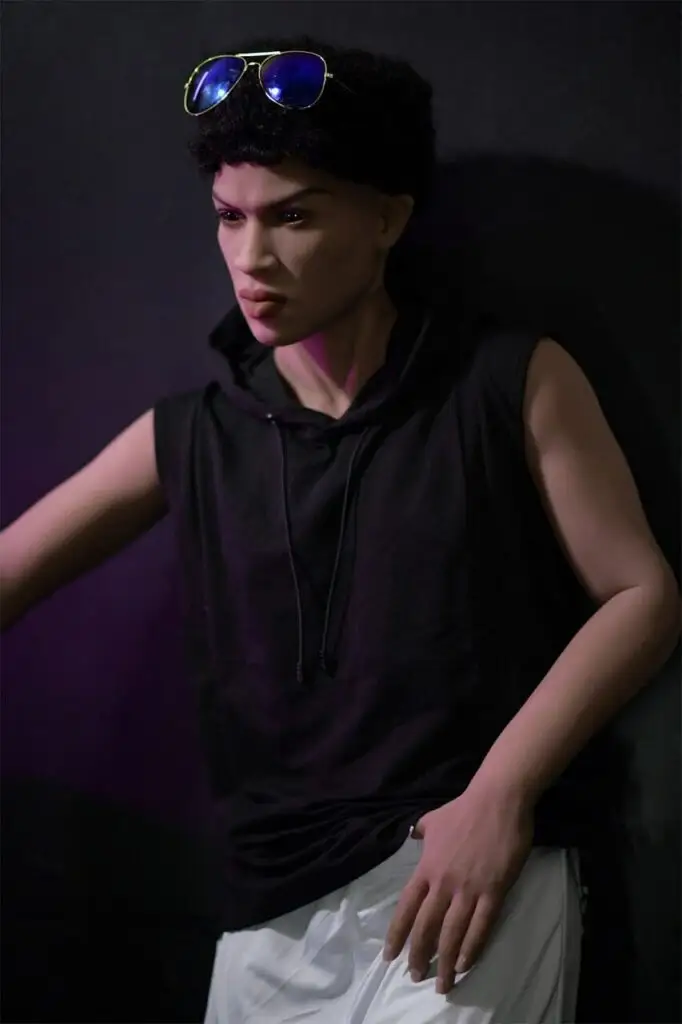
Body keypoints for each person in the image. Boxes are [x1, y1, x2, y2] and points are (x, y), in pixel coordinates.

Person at [1, 33, 679, 1024]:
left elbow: (642, 594)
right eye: (229, 217)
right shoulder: (194, 432)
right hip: (266, 913)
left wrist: (501, 793)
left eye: (294, 215)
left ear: (387, 218)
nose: (251, 258)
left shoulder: (506, 382)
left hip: (461, 886)